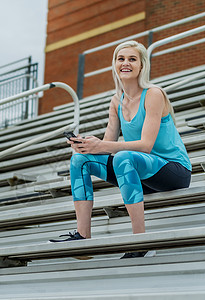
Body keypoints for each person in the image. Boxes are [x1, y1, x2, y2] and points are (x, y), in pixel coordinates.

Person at [50, 40, 192, 259]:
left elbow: (146, 146)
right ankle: (83, 236)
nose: (126, 63)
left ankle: (139, 241)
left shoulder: (154, 94)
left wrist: (102, 145)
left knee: (124, 158)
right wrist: (86, 146)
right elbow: (107, 145)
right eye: (121, 59)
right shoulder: (116, 100)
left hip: (173, 171)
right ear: (114, 65)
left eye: (132, 59)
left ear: (142, 66)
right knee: (79, 161)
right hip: (140, 173)